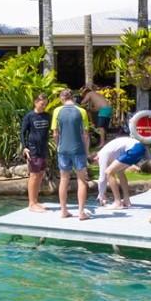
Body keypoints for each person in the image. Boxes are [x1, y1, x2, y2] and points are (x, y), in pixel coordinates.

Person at [51, 87, 92, 220]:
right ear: (73, 98)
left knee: (64, 180)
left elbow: (55, 133)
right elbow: (85, 135)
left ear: (62, 98)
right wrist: (86, 151)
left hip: (63, 150)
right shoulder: (82, 111)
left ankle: (63, 211)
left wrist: (58, 147)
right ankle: (81, 212)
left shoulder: (57, 111)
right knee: (82, 180)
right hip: (78, 150)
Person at [20, 92, 54, 212]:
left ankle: (35, 201)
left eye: (45, 104)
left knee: (40, 175)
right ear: (35, 102)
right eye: (42, 104)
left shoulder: (47, 116)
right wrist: (24, 147)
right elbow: (23, 132)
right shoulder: (29, 116)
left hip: (43, 149)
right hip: (33, 149)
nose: (43, 106)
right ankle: (31, 203)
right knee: (34, 175)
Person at [97, 134, 147, 207]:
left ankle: (117, 202)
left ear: (95, 158)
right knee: (119, 172)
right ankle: (127, 200)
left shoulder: (102, 154)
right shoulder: (111, 151)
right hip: (140, 147)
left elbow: (102, 178)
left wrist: (100, 195)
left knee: (108, 172)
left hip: (134, 148)